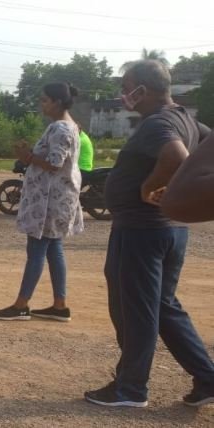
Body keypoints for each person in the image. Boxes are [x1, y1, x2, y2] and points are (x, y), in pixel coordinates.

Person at [86, 60, 214, 409]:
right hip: (169, 231)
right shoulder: (188, 120)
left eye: (126, 85)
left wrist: (151, 185)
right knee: (163, 307)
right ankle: (208, 378)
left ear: (143, 88)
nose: (123, 93)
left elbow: (176, 155)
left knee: (135, 311)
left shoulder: (159, 122)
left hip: (141, 230)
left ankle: (130, 389)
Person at [0, 83, 84, 322]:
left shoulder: (61, 129)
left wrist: (28, 157)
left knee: (36, 250)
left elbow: (54, 162)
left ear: (57, 102)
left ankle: (22, 305)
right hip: (57, 197)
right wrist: (31, 155)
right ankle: (59, 305)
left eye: (44, 100)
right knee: (54, 249)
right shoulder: (68, 126)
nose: (41, 105)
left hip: (49, 201)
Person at [161, 132, 214, 222]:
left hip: (149, 223)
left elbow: (178, 200)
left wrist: (148, 188)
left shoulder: (161, 124)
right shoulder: (192, 125)